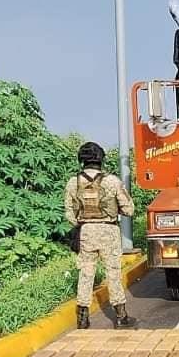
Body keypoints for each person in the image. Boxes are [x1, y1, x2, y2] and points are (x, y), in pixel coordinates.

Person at [64, 141, 136, 329]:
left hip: (86, 232)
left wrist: (84, 224)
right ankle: (121, 316)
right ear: (101, 159)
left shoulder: (73, 182)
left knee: (86, 273)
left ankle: (82, 318)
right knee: (113, 273)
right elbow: (129, 209)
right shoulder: (112, 181)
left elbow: (69, 213)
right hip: (109, 230)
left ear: (81, 160)